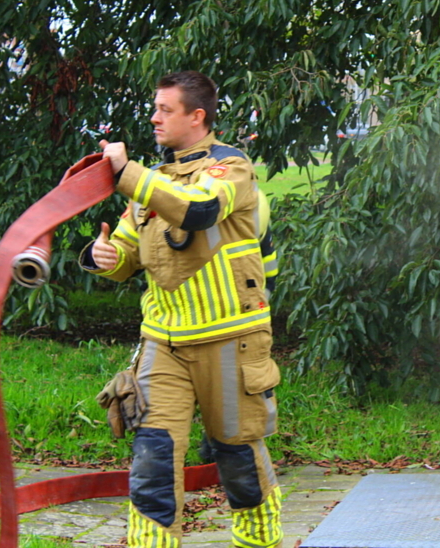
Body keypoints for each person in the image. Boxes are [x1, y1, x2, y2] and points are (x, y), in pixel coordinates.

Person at [81, 71, 282, 547]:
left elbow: (197, 210)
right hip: (163, 344)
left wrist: (127, 173)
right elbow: (129, 254)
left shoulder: (232, 168)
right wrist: (104, 257)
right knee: (152, 461)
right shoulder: (155, 181)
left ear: (197, 116)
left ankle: (259, 541)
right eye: (154, 108)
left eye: (164, 109)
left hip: (231, 340)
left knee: (237, 458)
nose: (153, 117)